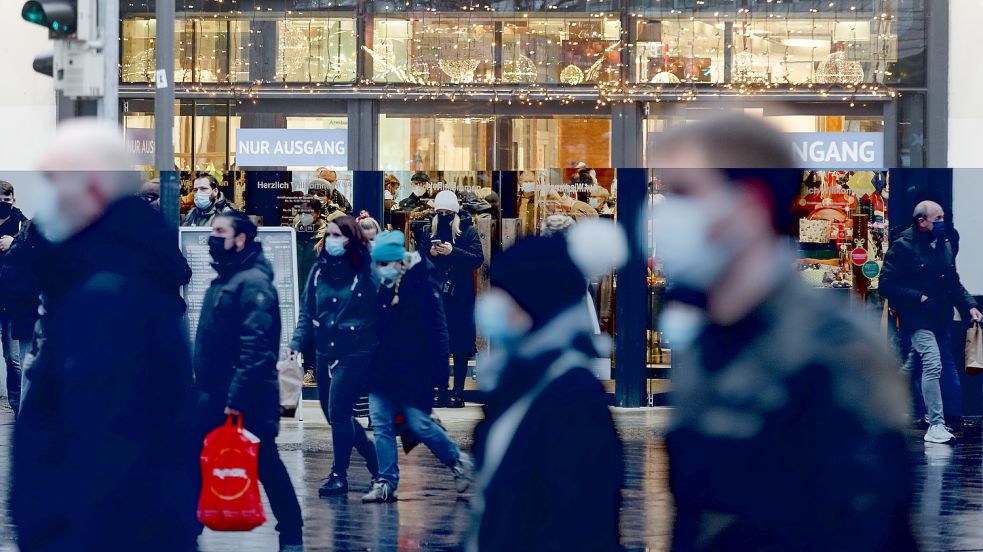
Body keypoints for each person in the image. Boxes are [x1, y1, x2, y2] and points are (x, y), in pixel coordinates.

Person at [649, 114, 917, 551]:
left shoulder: (835, 348)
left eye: (684, 194)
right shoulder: (705, 340)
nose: (666, 217)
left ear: (750, 204)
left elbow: (869, 523)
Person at [12, 119, 199, 550]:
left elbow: (104, 445)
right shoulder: (108, 269)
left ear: (92, 189)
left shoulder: (107, 292)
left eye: (56, 184)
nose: (49, 200)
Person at [468, 220, 627, 552]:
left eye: (503, 295)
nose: (491, 305)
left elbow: (579, 521)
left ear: (532, 304)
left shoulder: (572, 396)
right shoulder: (518, 380)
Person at [194, 212, 304, 552]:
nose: (212, 238)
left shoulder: (253, 283)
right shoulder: (227, 279)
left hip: (243, 396)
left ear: (240, 238)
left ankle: (292, 534)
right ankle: (186, 530)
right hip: (216, 392)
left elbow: (255, 348)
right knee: (197, 459)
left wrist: (236, 398)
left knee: (265, 462)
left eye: (219, 231)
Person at [362, 230, 474, 503]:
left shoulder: (422, 282)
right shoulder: (381, 286)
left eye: (384, 263)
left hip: (415, 371)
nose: (380, 269)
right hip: (383, 369)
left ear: (398, 262)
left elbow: (437, 329)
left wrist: (440, 373)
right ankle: (386, 481)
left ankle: (458, 461)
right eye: (377, 264)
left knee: (419, 423)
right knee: (381, 424)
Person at [289, 216, 380, 497]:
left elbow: (380, 312)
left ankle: (338, 475)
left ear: (351, 239)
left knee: (339, 409)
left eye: (337, 235)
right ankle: (374, 459)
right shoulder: (319, 271)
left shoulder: (366, 270)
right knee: (333, 415)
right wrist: (295, 343)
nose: (331, 240)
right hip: (324, 349)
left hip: (356, 350)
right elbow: (307, 312)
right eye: (328, 235)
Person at [880, 200, 982, 444]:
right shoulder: (903, 247)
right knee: (934, 364)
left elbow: (953, 282)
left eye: (942, 217)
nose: (942, 223)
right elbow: (886, 284)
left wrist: (970, 306)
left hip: (941, 317)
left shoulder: (944, 244)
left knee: (915, 366)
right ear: (921, 221)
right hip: (916, 318)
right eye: (937, 219)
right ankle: (936, 424)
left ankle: (882, 400)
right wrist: (919, 297)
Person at [419, 190, 485, 408]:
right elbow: (418, 259)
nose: (444, 215)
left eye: (448, 212)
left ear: (455, 211)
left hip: (460, 297)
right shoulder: (430, 228)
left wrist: (452, 252)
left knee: (460, 345)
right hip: (435, 295)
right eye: (440, 211)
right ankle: (440, 390)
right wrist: (431, 253)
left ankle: (458, 392)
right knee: (436, 344)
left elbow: (477, 259)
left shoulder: (467, 230)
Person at [0, 215, 50, 413]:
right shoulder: (30, 234)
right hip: (27, 317)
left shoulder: (23, 227)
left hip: (29, 317)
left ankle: (19, 411)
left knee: (20, 365)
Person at [0, 180, 27, 412]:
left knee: (13, 358)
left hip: (10, 303)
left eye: (6, 201)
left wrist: (14, 242)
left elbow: (37, 252)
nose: (2, 204)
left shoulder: (23, 225)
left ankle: (17, 406)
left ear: (13, 200)